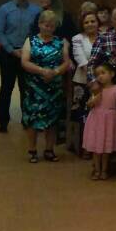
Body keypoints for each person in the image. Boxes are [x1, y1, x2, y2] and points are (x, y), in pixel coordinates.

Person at [20, 9, 71, 163]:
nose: (48, 28)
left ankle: (49, 149)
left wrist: (55, 72)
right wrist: (42, 71)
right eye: (45, 25)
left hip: (54, 87)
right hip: (34, 86)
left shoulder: (61, 42)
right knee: (32, 118)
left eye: (51, 26)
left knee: (53, 119)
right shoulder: (30, 40)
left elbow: (66, 62)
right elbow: (25, 61)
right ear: (39, 24)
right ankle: (32, 150)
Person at [0, 0, 37, 132]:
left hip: (27, 55)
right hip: (8, 54)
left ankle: (26, 120)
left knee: (26, 89)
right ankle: (3, 122)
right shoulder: (4, 10)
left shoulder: (36, 11)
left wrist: (27, 50)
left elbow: (37, 33)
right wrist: (11, 50)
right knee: (6, 88)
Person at [82, 60, 116, 181]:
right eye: (97, 74)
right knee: (97, 146)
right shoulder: (97, 89)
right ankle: (97, 169)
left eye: (103, 73)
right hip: (97, 119)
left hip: (110, 119)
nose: (100, 76)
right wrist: (94, 99)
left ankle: (104, 170)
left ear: (112, 74)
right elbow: (89, 104)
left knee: (106, 147)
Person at [71, 9, 100, 149]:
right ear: (82, 25)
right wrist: (94, 79)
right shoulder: (77, 39)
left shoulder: (105, 37)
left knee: (100, 115)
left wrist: (102, 78)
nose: (90, 24)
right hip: (83, 81)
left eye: (93, 21)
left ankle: (98, 144)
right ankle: (84, 146)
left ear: (98, 22)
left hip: (103, 82)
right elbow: (81, 60)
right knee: (83, 114)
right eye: (86, 22)